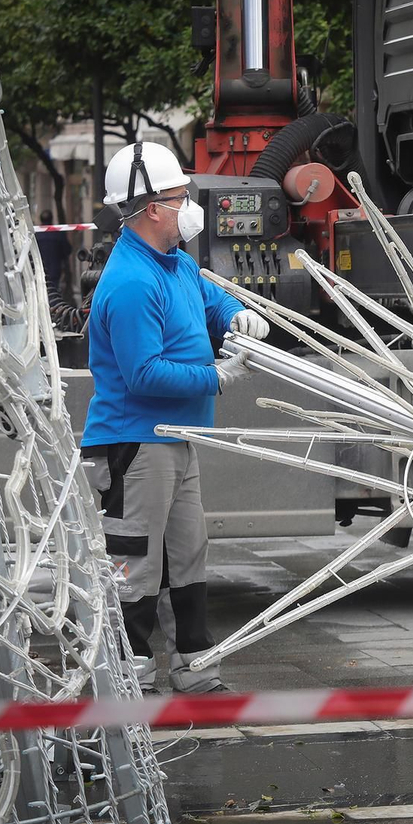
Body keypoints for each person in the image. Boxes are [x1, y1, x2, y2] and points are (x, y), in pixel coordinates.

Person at [81, 141, 270, 694]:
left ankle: (194, 668)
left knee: (188, 554)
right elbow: (144, 374)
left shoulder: (175, 263)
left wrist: (238, 314)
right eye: (180, 196)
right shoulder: (133, 282)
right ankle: (129, 674)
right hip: (135, 443)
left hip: (173, 438)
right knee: (134, 563)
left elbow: (207, 301)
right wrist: (218, 376)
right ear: (152, 209)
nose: (190, 206)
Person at [35, 209, 73, 293]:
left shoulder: (36, 234)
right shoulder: (58, 233)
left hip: (39, 269)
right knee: (53, 292)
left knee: (40, 291)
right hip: (55, 270)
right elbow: (67, 250)